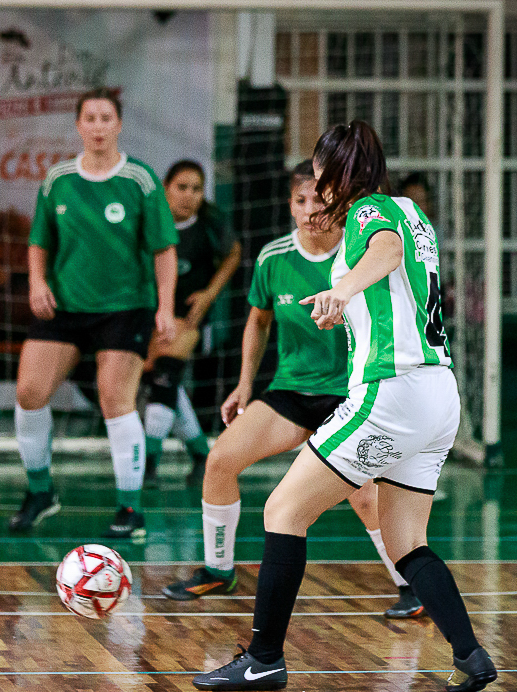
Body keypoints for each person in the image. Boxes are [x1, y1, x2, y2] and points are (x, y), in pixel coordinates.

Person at [193, 121, 496, 692]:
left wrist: (345, 287)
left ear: (337, 173)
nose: (316, 185)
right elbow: (398, 272)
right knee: (407, 541)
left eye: (318, 172)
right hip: (438, 395)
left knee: (283, 510)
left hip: (392, 392)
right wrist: (345, 305)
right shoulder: (414, 213)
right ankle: (471, 655)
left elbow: (384, 250)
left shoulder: (368, 213)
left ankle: (263, 657)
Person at [162, 161, 423, 620]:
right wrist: (244, 386)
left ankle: (411, 588)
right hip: (291, 391)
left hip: (351, 395)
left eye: (319, 202)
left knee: (364, 495)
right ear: (289, 204)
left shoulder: (360, 255)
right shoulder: (273, 257)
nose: (309, 211)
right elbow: (257, 321)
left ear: (337, 204)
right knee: (220, 461)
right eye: (300, 201)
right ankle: (217, 570)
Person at [8, 88, 178, 540]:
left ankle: (130, 507)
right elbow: (39, 242)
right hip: (64, 306)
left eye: (107, 118)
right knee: (29, 391)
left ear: (118, 125)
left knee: (114, 399)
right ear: (78, 126)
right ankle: (39, 492)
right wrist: (38, 283)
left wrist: (166, 307)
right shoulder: (58, 179)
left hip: (125, 308)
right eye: (90, 118)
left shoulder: (140, 180)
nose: (99, 126)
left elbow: (164, 250)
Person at [141, 160, 240, 490]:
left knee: (165, 376)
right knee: (165, 383)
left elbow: (234, 254)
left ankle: (148, 464)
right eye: (182, 187)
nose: (189, 195)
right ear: (165, 187)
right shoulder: (151, 221)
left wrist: (208, 295)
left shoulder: (210, 225)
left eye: (196, 189)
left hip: (190, 320)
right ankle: (200, 454)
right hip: (151, 317)